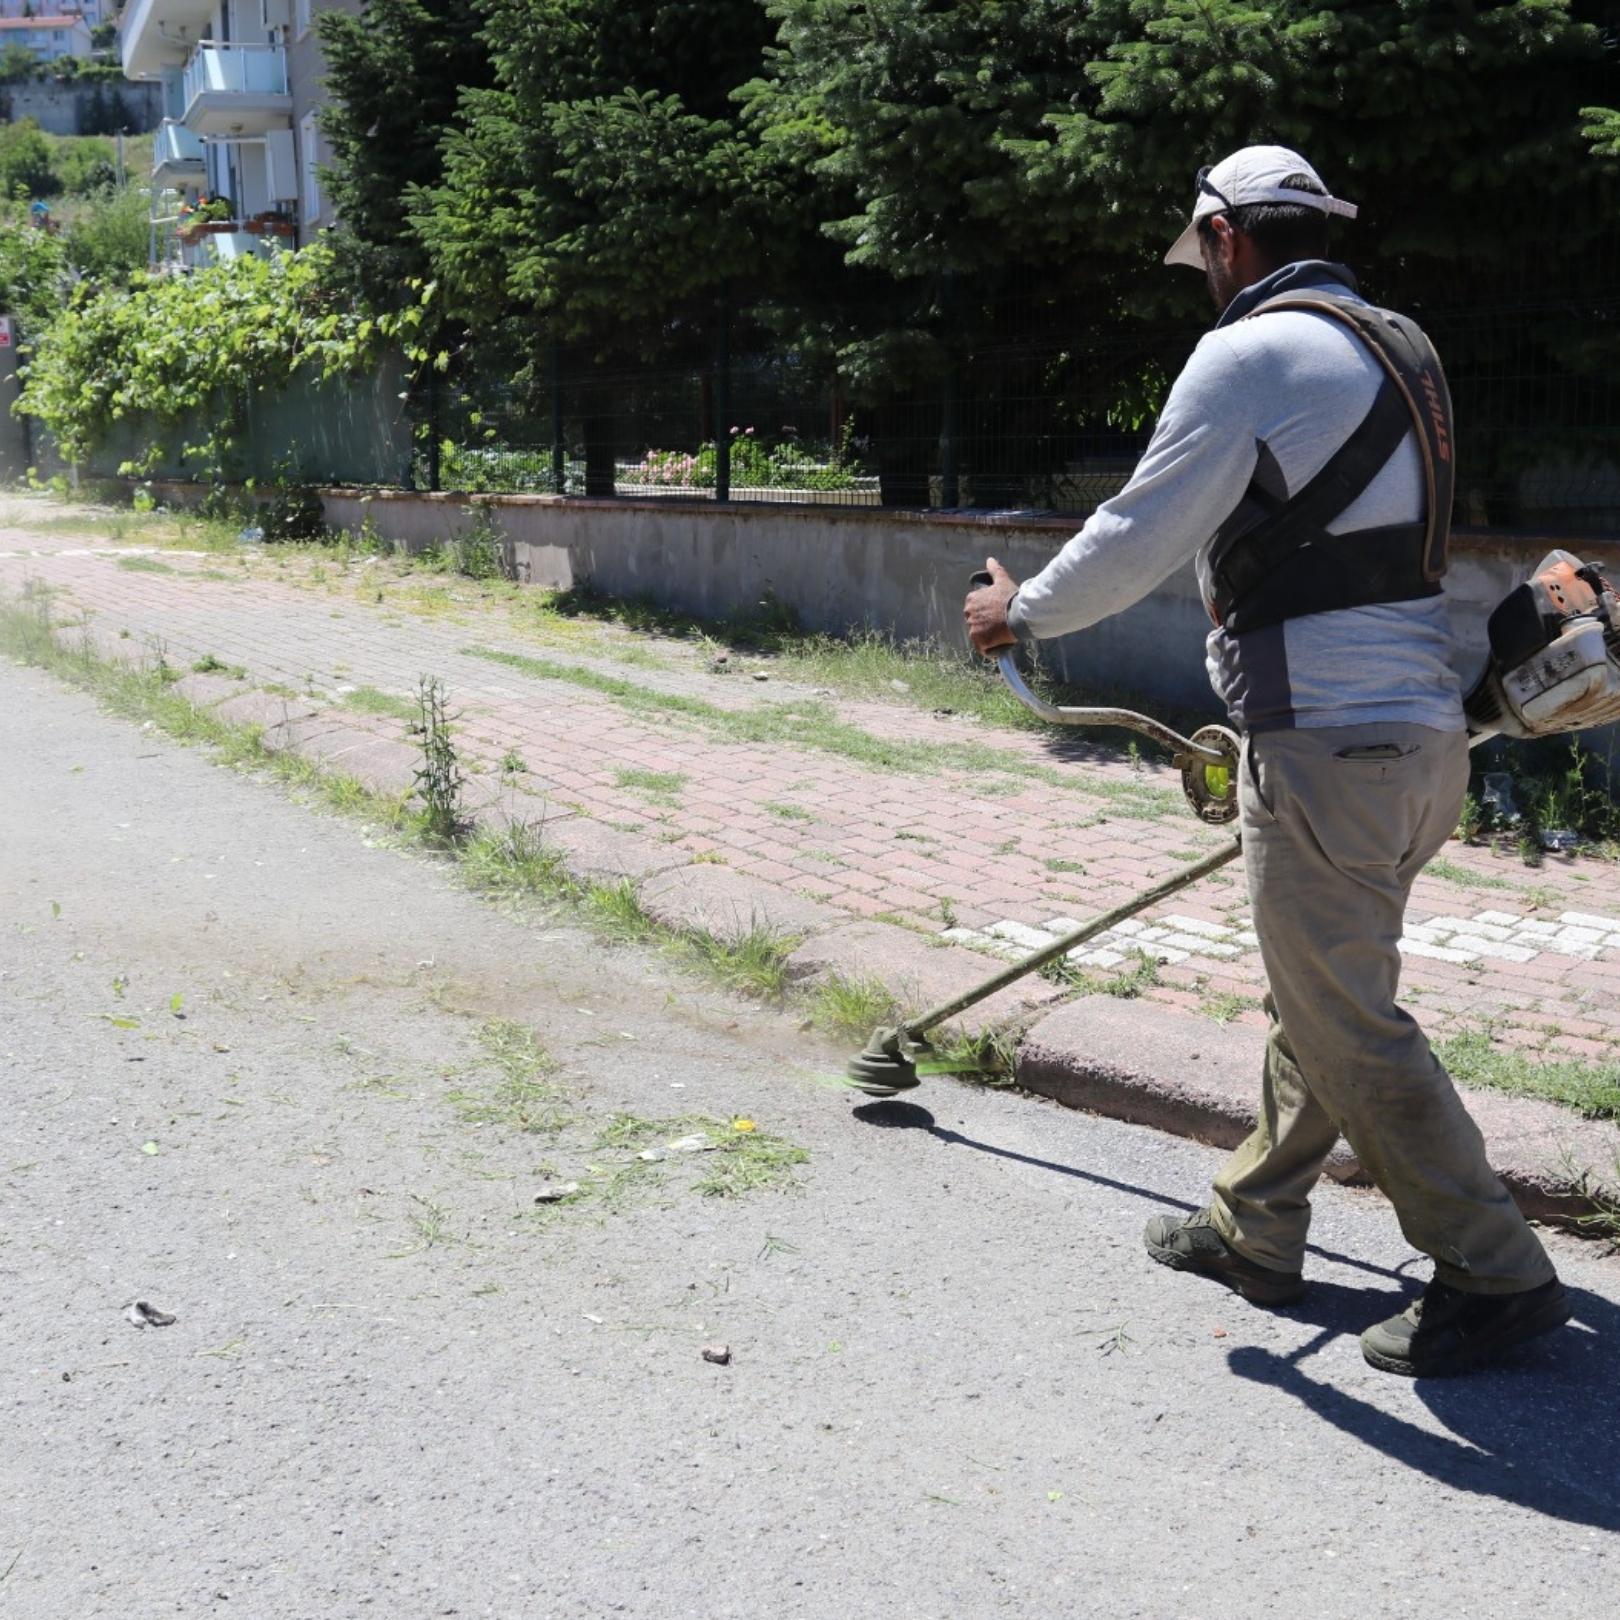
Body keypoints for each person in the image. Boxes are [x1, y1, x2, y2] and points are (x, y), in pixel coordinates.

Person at [963, 145, 1570, 1378]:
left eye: (1205, 257)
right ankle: (1256, 1223)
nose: (1204, 278)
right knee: (1322, 995)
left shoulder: (1247, 353)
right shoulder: (1404, 346)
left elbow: (1139, 530)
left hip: (1329, 749)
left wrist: (1019, 616)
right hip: (1424, 744)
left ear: (1227, 237)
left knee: (1348, 1020)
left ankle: (1494, 1272)